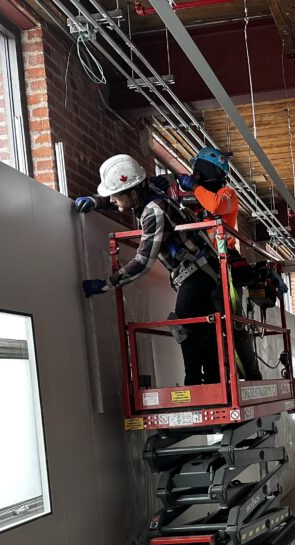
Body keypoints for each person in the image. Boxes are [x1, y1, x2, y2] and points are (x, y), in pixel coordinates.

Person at [75, 153, 222, 386]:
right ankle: (213, 382)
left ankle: (195, 385)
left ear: (133, 193)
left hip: (198, 273)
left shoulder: (153, 211)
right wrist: (97, 201)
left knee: (183, 324)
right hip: (201, 271)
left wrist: (106, 284)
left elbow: (142, 263)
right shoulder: (148, 191)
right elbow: (121, 198)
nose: (112, 200)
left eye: (115, 195)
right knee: (201, 329)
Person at [178, 147, 262, 381]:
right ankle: (211, 377)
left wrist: (194, 187)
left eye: (198, 172)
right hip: (205, 267)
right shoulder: (197, 201)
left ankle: (252, 374)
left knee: (232, 324)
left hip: (225, 267)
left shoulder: (227, 194)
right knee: (206, 326)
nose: (194, 176)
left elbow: (216, 206)